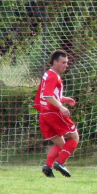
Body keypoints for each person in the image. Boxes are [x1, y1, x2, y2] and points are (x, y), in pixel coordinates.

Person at [34, 50, 79, 178]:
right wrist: (61, 107)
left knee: (60, 143)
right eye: (63, 62)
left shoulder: (48, 74)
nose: (66, 65)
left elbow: (48, 94)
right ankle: (61, 163)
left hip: (44, 115)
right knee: (75, 137)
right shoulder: (54, 76)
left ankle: (48, 166)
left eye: (67, 62)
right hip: (53, 113)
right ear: (55, 62)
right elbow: (48, 95)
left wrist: (64, 99)